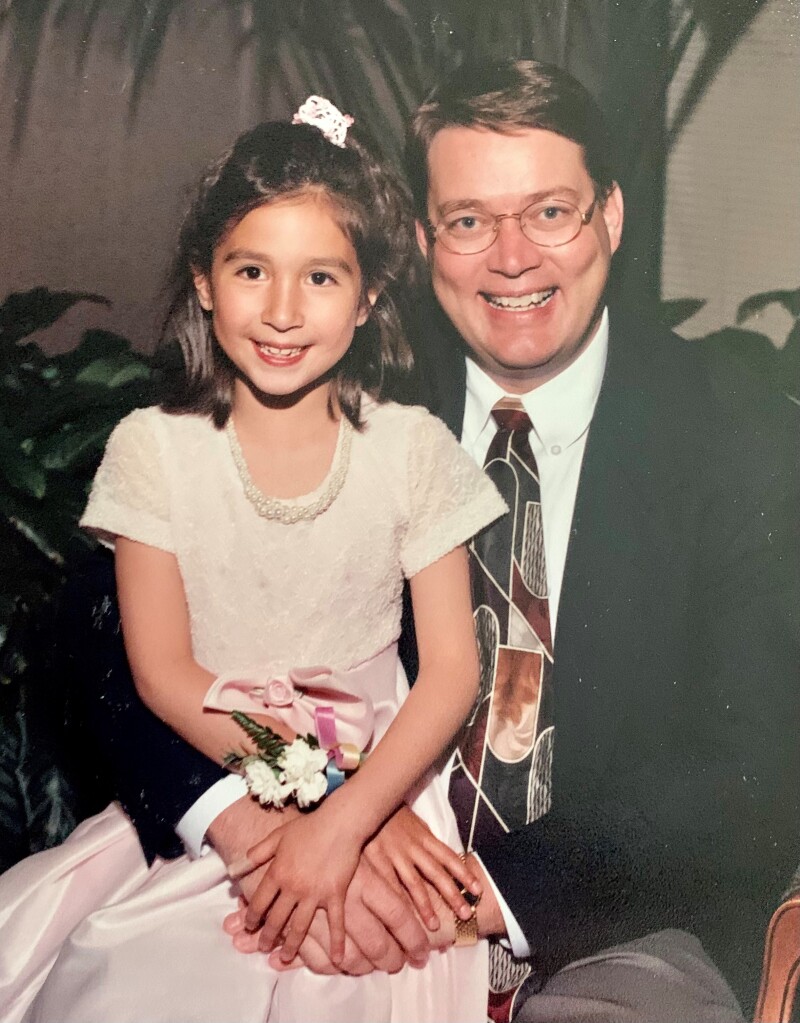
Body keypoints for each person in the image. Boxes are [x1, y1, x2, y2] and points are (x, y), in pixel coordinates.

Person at [9, 60, 797, 1023]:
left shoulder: (741, 434)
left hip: (614, 926)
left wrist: (475, 894)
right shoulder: (322, 377)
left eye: (551, 211)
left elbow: (755, 755)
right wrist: (263, 830)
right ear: (424, 243)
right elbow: (96, 642)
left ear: (612, 219)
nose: (512, 257)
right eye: (469, 220)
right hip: (291, 890)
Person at [0, 100, 510, 1022]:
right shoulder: (153, 449)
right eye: (250, 270)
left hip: (387, 791)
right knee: (134, 980)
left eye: (320, 276)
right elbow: (162, 674)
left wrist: (349, 822)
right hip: (229, 767)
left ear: (367, 298)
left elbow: (450, 675)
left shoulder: (413, 449)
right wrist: (298, 811)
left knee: (361, 966)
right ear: (203, 281)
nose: (281, 310)